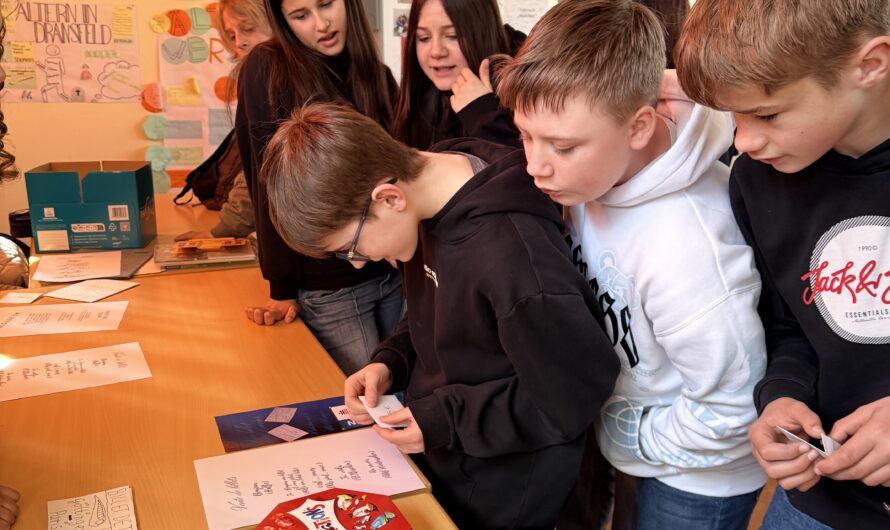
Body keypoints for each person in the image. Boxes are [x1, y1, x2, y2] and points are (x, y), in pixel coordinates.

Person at [260, 102, 620, 530]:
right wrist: (390, 361)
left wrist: (443, 420)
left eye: (350, 248)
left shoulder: (513, 257)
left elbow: (571, 395)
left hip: (506, 491)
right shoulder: (426, 204)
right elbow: (436, 314)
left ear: (388, 198)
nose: (357, 263)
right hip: (450, 460)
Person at [497, 1, 769, 528]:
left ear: (639, 126)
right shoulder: (593, 170)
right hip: (638, 437)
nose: (534, 166)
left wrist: (634, 436)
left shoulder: (690, 247)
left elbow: (736, 407)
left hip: (698, 475)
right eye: (525, 136)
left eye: (563, 146)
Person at [675, 0, 890, 528]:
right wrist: (782, 397)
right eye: (733, 115)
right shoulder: (757, 181)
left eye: (767, 114)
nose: (743, 141)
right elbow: (789, 325)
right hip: (823, 500)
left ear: (870, 65)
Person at [234, 0, 402, 375]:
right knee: (365, 398)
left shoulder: (376, 73)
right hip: (329, 286)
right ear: (283, 21)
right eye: (301, 15)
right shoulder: (268, 67)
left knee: (406, 389)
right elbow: (266, 183)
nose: (321, 23)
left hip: (392, 272)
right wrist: (281, 286)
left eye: (326, 4)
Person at [175, 0, 273, 242]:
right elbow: (254, 164)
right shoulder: (257, 75)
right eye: (231, 35)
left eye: (248, 28)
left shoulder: (273, 77)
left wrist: (224, 230)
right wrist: (223, 230)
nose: (239, 42)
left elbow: (260, 166)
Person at [390, 0, 522, 150]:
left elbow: (527, 162)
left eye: (453, 36)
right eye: (424, 38)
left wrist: (483, 116)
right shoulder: (416, 98)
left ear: (484, 32)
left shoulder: (527, 89)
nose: (436, 52)